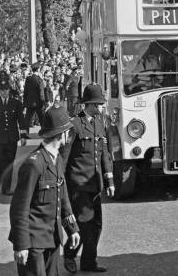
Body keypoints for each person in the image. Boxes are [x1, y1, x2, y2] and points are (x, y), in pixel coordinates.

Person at [9, 107, 80, 276]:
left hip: (52, 238)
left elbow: (62, 197)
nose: (70, 136)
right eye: (68, 132)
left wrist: (72, 227)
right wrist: (21, 245)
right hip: (33, 243)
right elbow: (19, 208)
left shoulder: (57, 159)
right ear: (61, 134)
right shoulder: (34, 164)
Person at [61, 85, 114, 273]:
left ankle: (89, 261)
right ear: (89, 104)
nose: (101, 108)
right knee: (84, 225)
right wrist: (61, 185)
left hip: (95, 183)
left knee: (97, 225)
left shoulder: (100, 123)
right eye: (99, 104)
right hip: (78, 184)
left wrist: (110, 181)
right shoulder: (74, 124)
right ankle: (69, 254)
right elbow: (64, 158)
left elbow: (104, 153)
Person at [0, 72, 28, 194]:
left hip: (11, 138)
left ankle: (6, 188)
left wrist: (23, 136)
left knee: (9, 163)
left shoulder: (16, 101)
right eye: (2, 89)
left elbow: (21, 120)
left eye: (6, 89)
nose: (4, 92)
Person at [24, 62, 45, 127]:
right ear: (38, 70)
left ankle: (24, 134)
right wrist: (43, 102)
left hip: (29, 101)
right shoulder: (39, 79)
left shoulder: (28, 79)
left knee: (27, 119)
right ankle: (44, 133)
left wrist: (24, 101)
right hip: (38, 102)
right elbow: (41, 92)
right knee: (42, 118)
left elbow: (25, 92)